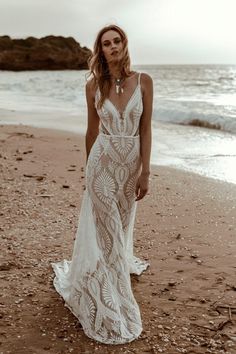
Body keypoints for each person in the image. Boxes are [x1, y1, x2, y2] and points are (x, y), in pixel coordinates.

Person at [51, 24, 153, 345]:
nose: (112, 47)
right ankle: (111, 299)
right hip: (102, 165)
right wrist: (87, 169)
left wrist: (146, 171)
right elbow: (91, 132)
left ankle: (112, 274)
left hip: (130, 166)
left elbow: (146, 129)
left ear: (124, 44)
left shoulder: (144, 81)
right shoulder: (94, 85)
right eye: (106, 43)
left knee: (120, 229)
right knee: (107, 230)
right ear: (100, 49)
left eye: (117, 41)